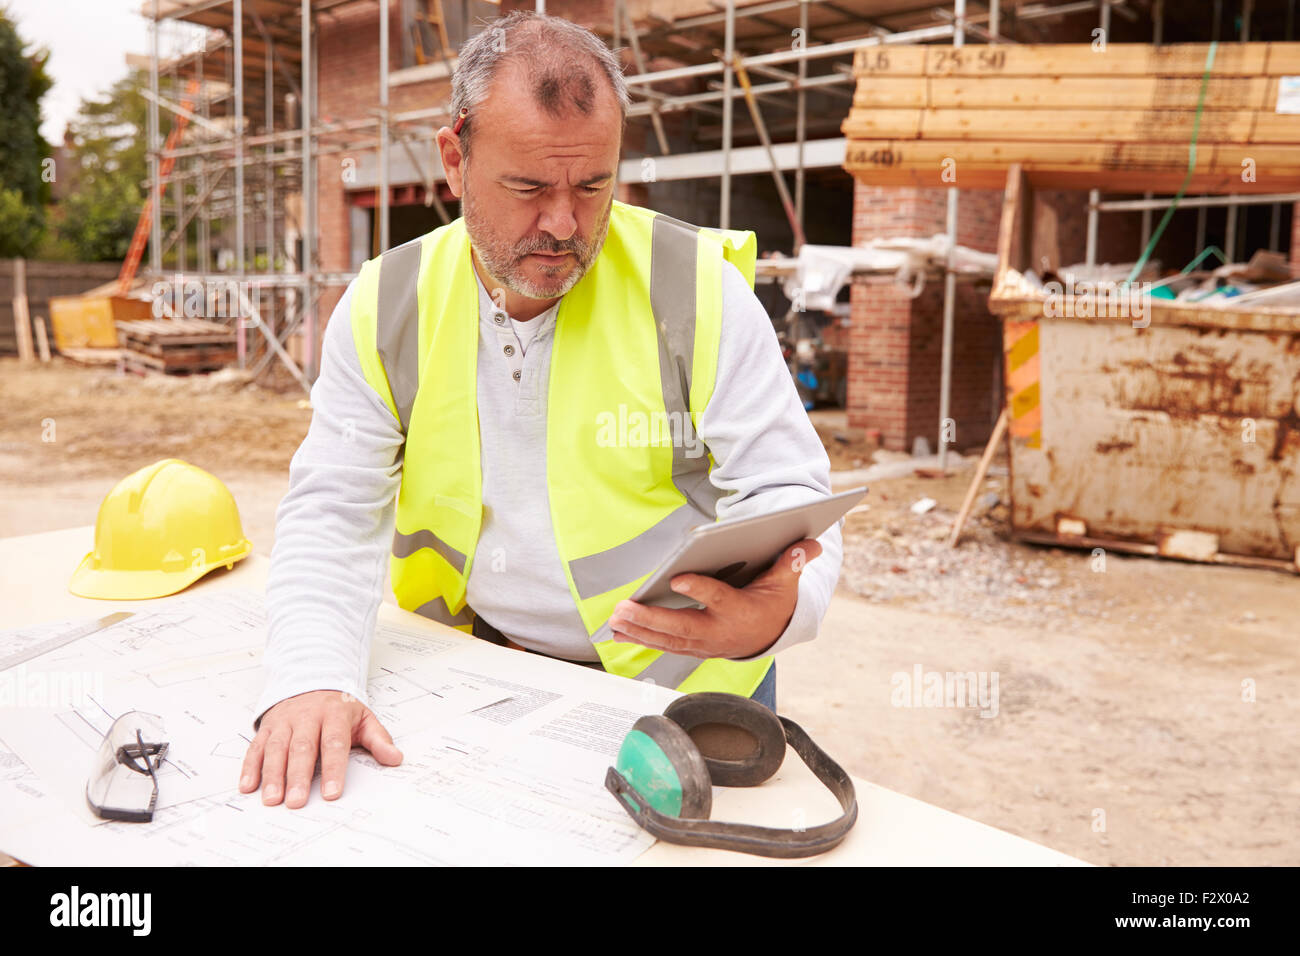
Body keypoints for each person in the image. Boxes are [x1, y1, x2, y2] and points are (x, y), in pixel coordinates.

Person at [239, 10, 843, 810]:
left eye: (592, 185)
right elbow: (333, 511)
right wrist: (311, 677)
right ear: (453, 158)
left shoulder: (695, 290)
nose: (563, 222)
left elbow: (791, 496)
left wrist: (775, 614)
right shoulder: (385, 306)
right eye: (528, 187)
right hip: (488, 670)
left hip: (688, 687)